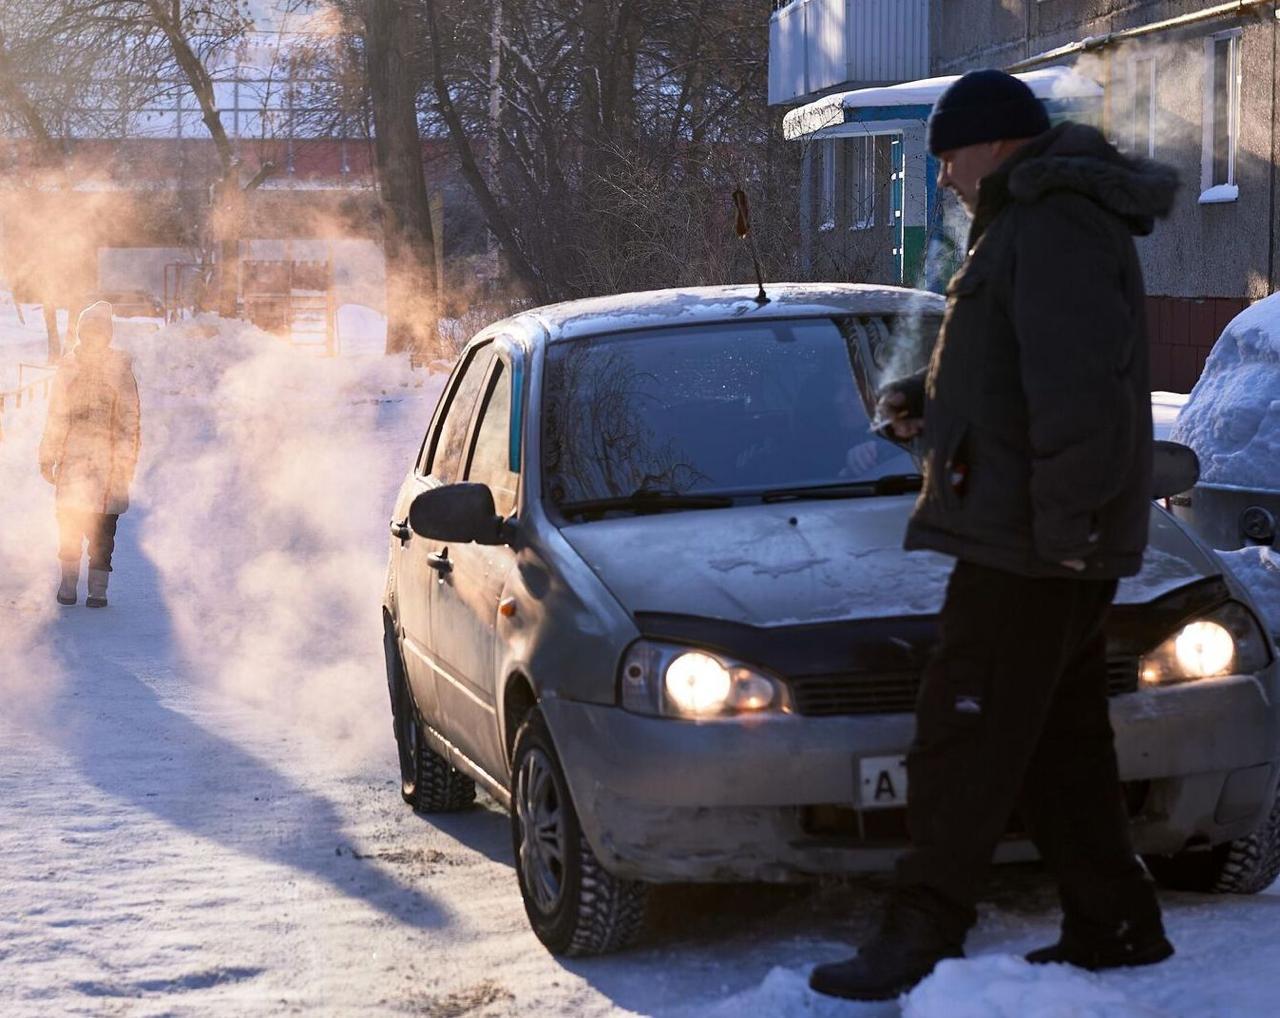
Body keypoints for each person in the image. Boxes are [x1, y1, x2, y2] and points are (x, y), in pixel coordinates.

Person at [808, 70, 1180, 1001]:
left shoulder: (1049, 221)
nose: (943, 179)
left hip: (1032, 544)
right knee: (1061, 742)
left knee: (961, 735)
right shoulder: (1030, 220)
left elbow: (1082, 394)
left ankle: (919, 934)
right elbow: (1022, 378)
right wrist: (930, 409)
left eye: (947, 156)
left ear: (992, 144)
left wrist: (1063, 534)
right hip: (1039, 533)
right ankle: (1115, 921)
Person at [38, 301, 141, 608]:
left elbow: (130, 421)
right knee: (70, 525)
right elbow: (56, 415)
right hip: (73, 462)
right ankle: (68, 586)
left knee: (102, 531)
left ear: (107, 335)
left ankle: (98, 591)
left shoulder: (120, 371)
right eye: (88, 331)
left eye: (99, 332)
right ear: (82, 333)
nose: (94, 337)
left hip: (108, 465)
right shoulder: (68, 368)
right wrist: (48, 455)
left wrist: (126, 462)